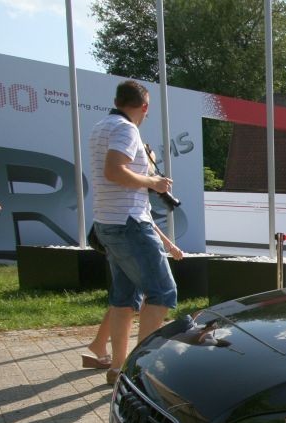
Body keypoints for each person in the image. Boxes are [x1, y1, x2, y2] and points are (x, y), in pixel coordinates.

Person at [89, 79, 183, 384]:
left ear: (117, 101)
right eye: (148, 109)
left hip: (108, 222)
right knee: (163, 292)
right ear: (144, 106)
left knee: (124, 297)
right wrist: (154, 182)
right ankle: (139, 370)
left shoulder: (101, 127)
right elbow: (114, 171)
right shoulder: (126, 129)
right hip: (130, 222)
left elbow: (111, 172)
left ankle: (118, 368)